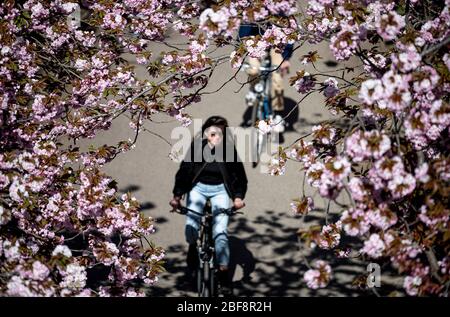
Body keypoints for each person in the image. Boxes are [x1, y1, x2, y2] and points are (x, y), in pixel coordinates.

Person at [169, 116, 248, 294]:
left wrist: (237, 197)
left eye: (221, 134)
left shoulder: (229, 151)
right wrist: (177, 196)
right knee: (191, 227)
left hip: (220, 190)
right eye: (213, 133)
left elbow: (240, 177)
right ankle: (192, 246)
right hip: (198, 189)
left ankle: (223, 274)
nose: (217, 137)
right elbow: (184, 171)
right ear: (205, 134)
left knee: (220, 234)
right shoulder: (197, 148)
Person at [239, 22, 294, 133]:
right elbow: (245, 28)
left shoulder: (281, 7)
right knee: (253, 69)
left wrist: (286, 58)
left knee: (277, 77)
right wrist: (240, 50)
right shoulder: (255, 7)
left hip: (278, 41)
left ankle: (278, 114)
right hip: (256, 38)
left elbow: (289, 32)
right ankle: (253, 89)